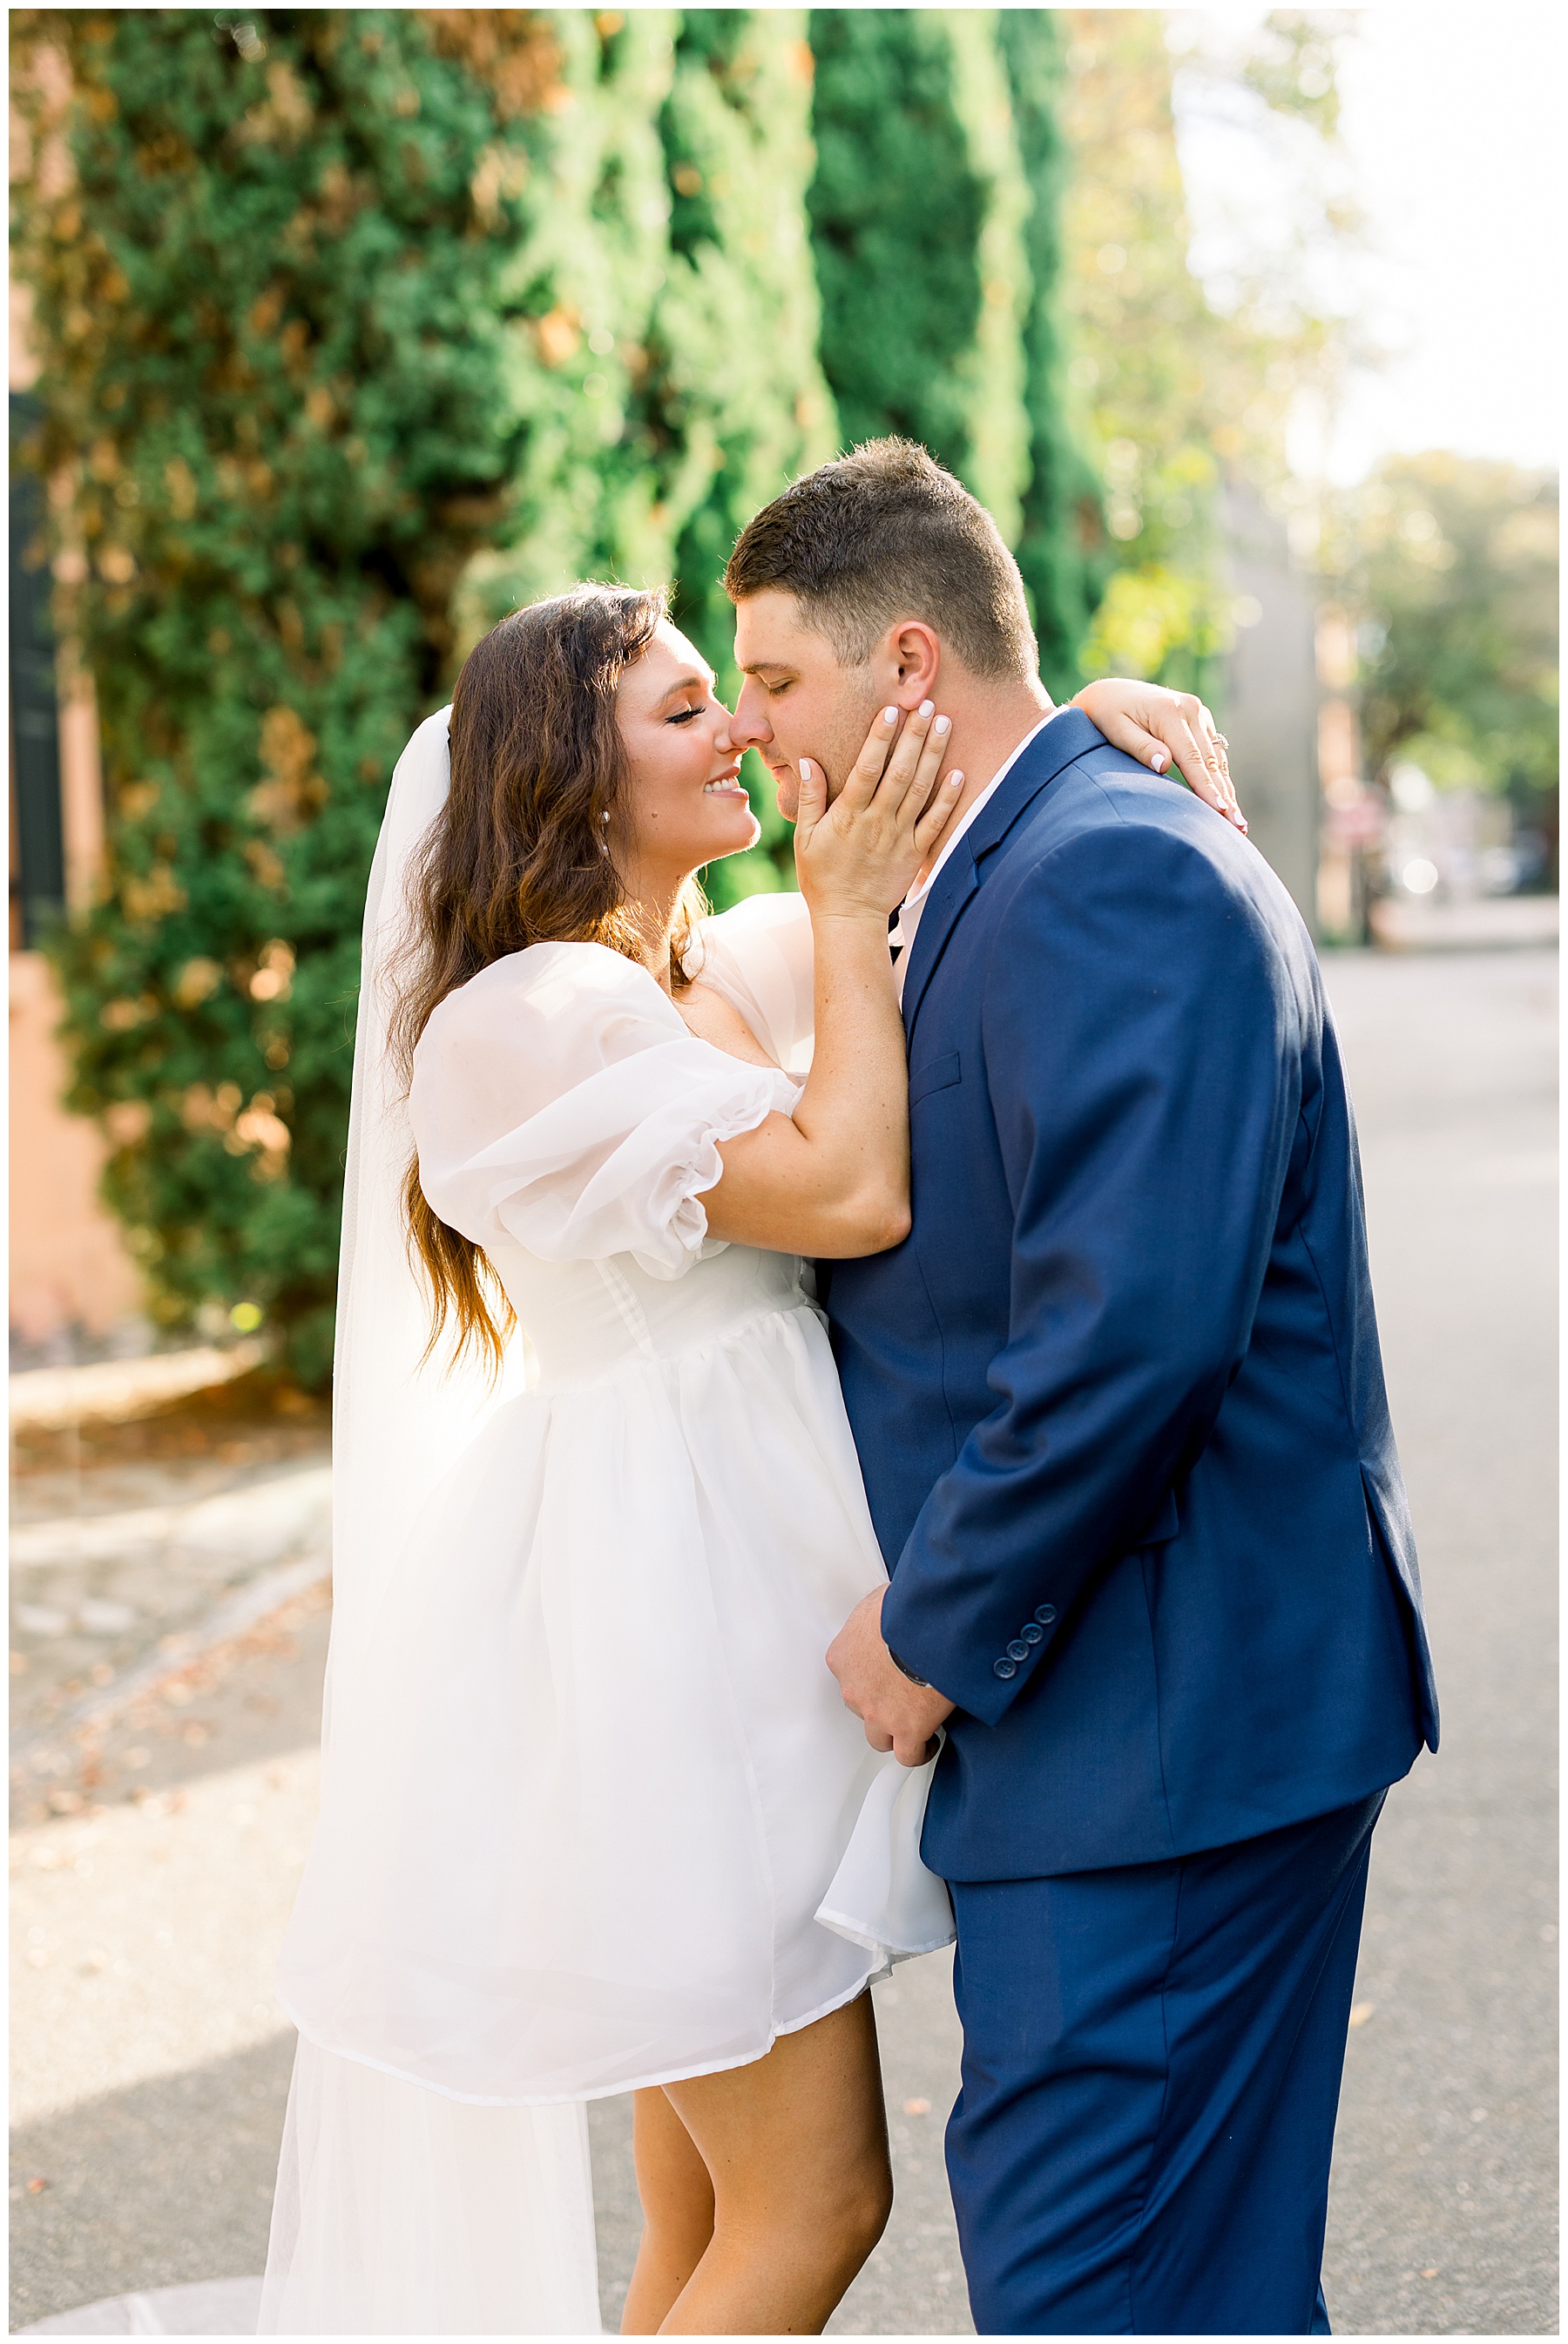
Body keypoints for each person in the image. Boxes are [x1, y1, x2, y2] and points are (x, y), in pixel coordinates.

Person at [258, 573, 1233, 2335]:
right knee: (816, 2200)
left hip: (735, 1600)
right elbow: (852, 1189)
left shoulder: (709, 966)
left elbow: (950, 875)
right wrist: (844, 906)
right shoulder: (532, 1020)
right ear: (572, 776)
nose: (744, 731)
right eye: (688, 706)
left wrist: (1076, 717)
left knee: (702, 2212)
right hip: (669, 1636)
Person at [717, 438, 1440, 2336]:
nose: (750, 730)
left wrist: (933, 1630)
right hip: (1127, 1732)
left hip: (1165, 1731)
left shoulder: (1111, 870)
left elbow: (1133, 1329)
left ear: (906, 671)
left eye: (774, 680)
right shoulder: (1003, 862)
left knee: (1094, 2285)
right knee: (1182, 2289)